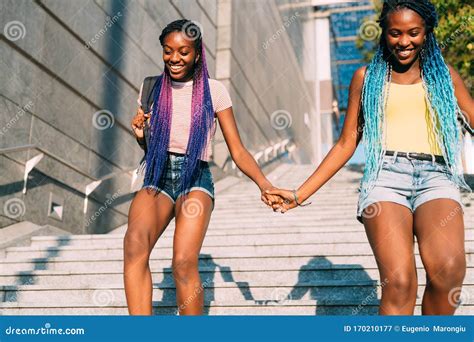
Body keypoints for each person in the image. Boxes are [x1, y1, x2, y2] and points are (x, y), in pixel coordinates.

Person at [266, 0, 473, 315]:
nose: (404, 41)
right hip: (385, 179)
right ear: (384, 33)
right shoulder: (367, 78)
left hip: (437, 176)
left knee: (449, 271)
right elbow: (346, 143)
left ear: (427, 32)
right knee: (400, 282)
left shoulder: (445, 76)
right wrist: (299, 193)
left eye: (413, 33)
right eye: (395, 33)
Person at [125, 19, 279, 315]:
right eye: (168, 51)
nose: (174, 59)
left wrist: (265, 184)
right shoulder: (150, 87)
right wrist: (141, 134)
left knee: (183, 261)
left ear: (197, 53)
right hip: (157, 176)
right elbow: (149, 146)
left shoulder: (213, 91)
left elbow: (238, 149)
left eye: (183, 52)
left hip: (195, 177)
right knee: (134, 243)